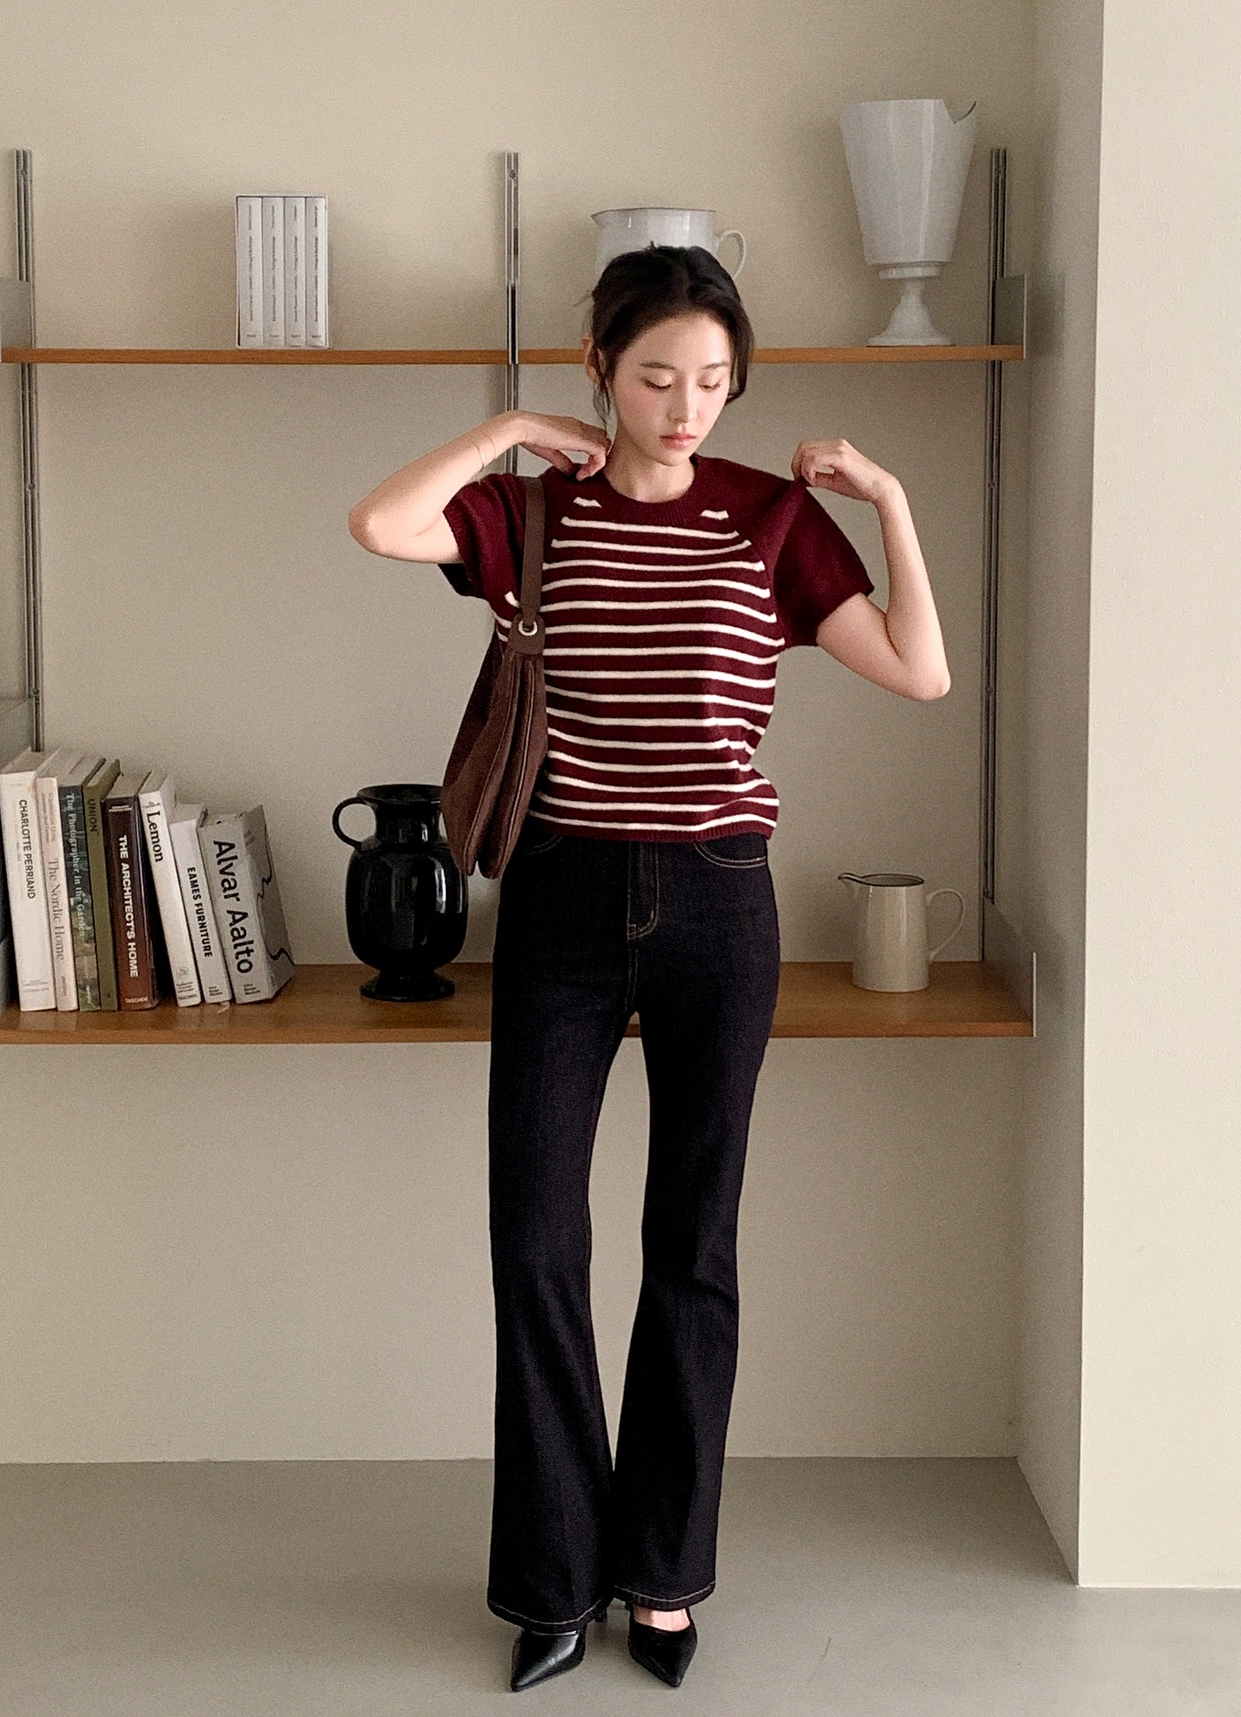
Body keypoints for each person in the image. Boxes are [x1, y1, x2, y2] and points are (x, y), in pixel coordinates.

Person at [348, 245, 950, 1692]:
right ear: (602, 371)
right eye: (658, 377)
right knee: (537, 1242)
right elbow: (381, 523)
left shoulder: (773, 519)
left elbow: (920, 670)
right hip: (559, 898)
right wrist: (507, 428)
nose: (688, 408)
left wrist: (892, 503)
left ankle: (666, 1576)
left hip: (720, 902)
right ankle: (555, 1581)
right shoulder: (535, 514)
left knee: (694, 1247)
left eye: (716, 382)